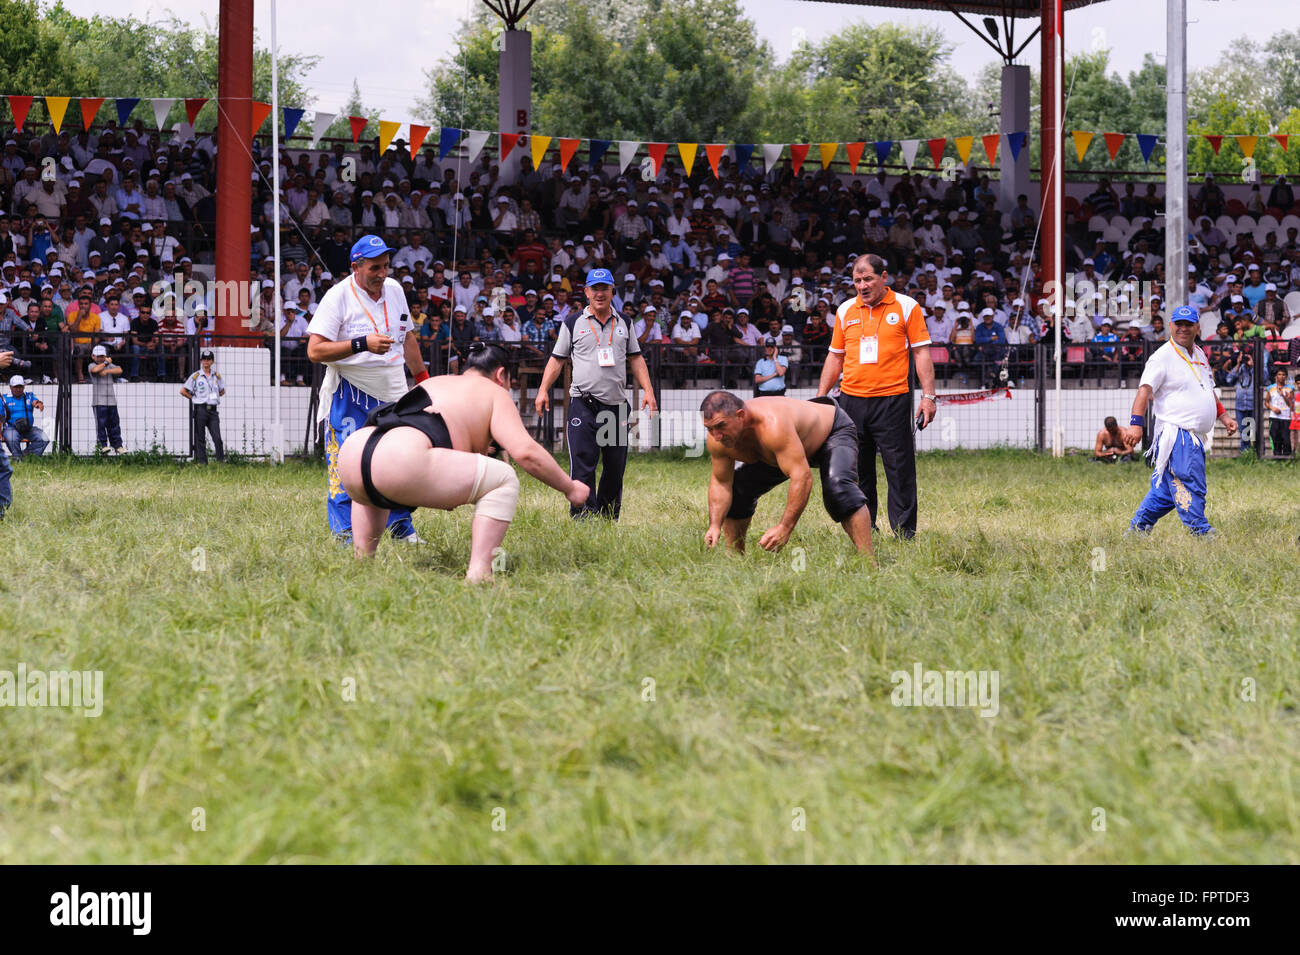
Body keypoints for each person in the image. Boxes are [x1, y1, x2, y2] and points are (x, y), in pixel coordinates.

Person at [338, 343, 589, 580]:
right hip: (402, 460)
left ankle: (363, 565)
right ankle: (479, 573)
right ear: (501, 375)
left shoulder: (435, 382)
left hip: (354, 454)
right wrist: (571, 488)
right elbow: (525, 452)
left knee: (374, 486)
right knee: (503, 477)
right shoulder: (494, 392)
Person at [306, 234, 429, 544]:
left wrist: (425, 383)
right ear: (355, 268)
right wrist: (361, 344)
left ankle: (401, 527)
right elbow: (315, 351)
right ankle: (345, 532)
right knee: (346, 462)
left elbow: (408, 339)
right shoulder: (337, 297)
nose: (382, 274)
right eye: (375, 268)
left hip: (393, 389)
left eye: (386, 266)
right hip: (351, 390)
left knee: (399, 461)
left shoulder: (395, 290)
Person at [817, 254, 936, 539]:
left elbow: (921, 352)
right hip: (851, 401)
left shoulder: (907, 306)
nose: (862, 285)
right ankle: (865, 530)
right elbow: (835, 357)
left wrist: (929, 396)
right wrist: (821, 399)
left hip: (892, 400)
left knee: (899, 470)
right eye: (857, 280)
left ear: (884, 277)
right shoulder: (845, 310)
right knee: (858, 471)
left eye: (868, 279)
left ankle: (904, 533)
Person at [533, 267, 657, 520]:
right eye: (595, 288)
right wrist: (543, 390)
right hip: (583, 404)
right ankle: (583, 517)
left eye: (605, 288)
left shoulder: (625, 322)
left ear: (612, 291)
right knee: (582, 462)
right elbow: (557, 360)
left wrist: (648, 390)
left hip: (615, 406)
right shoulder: (572, 322)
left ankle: (608, 516)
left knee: (614, 467)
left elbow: (636, 358)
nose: (600, 293)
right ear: (587, 292)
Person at [700, 391, 872, 557]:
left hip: (832, 431)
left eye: (721, 425)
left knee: (839, 488)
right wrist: (715, 525)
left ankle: (867, 562)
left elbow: (802, 478)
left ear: (741, 415)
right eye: (710, 429)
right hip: (781, 452)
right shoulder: (718, 441)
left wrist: (785, 527)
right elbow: (721, 482)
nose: (716, 436)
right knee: (738, 489)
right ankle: (736, 560)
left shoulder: (773, 425)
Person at [1125, 306, 1238, 537]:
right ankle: (1200, 530)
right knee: (1189, 480)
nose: (1183, 329)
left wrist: (1224, 416)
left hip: (1193, 435)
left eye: (1189, 324)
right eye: (1179, 324)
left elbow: (1207, 390)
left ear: (1198, 327)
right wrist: (1135, 423)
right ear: (1170, 326)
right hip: (1177, 433)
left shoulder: (1199, 354)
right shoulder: (1161, 357)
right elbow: (1144, 391)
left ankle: (1138, 529)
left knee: (1165, 491)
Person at [180, 350, 225, 464]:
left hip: (213, 411)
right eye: (204, 359)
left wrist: (212, 399)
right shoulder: (196, 376)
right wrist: (194, 399)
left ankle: (220, 462)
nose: (206, 362)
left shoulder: (216, 376)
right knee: (201, 439)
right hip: (201, 410)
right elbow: (183, 391)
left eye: (208, 359)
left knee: (217, 439)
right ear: (201, 361)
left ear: (212, 361)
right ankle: (202, 463)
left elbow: (222, 391)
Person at [89, 344, 125, 454]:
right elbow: (95, 370)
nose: (100, 358)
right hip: (99, 401)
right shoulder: (91, 365)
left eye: (102, 356)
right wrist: (105, 363)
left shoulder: (108, 366)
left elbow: (119, 370)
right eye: (98, 356)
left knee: (114, 424)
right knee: (101, 424)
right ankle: (103, 445)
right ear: (93, 356)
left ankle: (117, 445)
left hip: (111, 401)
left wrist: (107, 370)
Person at [1, 375, 48, 459]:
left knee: (44, 438)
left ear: (24, 387)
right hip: (11, 428)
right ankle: (18, 458)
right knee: (12, 438)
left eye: (20, 387)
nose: (18, 389)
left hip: (28, 428)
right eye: (15, 387)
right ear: (10, 387)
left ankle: (25, 456)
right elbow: (0, 417)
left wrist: (38, 404)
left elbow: (35, 401)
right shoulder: (4, 399)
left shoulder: (29, 396)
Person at [1265, 365, 1294, 457]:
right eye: (1279, 374)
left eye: (1283, 375)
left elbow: (1291, 405)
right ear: (1276, 376)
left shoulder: (1290, 388)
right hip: (1274, 417)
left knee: (1286, 439)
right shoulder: (1271, 388)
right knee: (1275, 439)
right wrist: (1272, 408)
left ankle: (1287, 459)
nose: (1281, 377)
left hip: (1286, 417)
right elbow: (1266, 402)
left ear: (1286, 376)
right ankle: (1276, 457)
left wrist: (1284, 396)